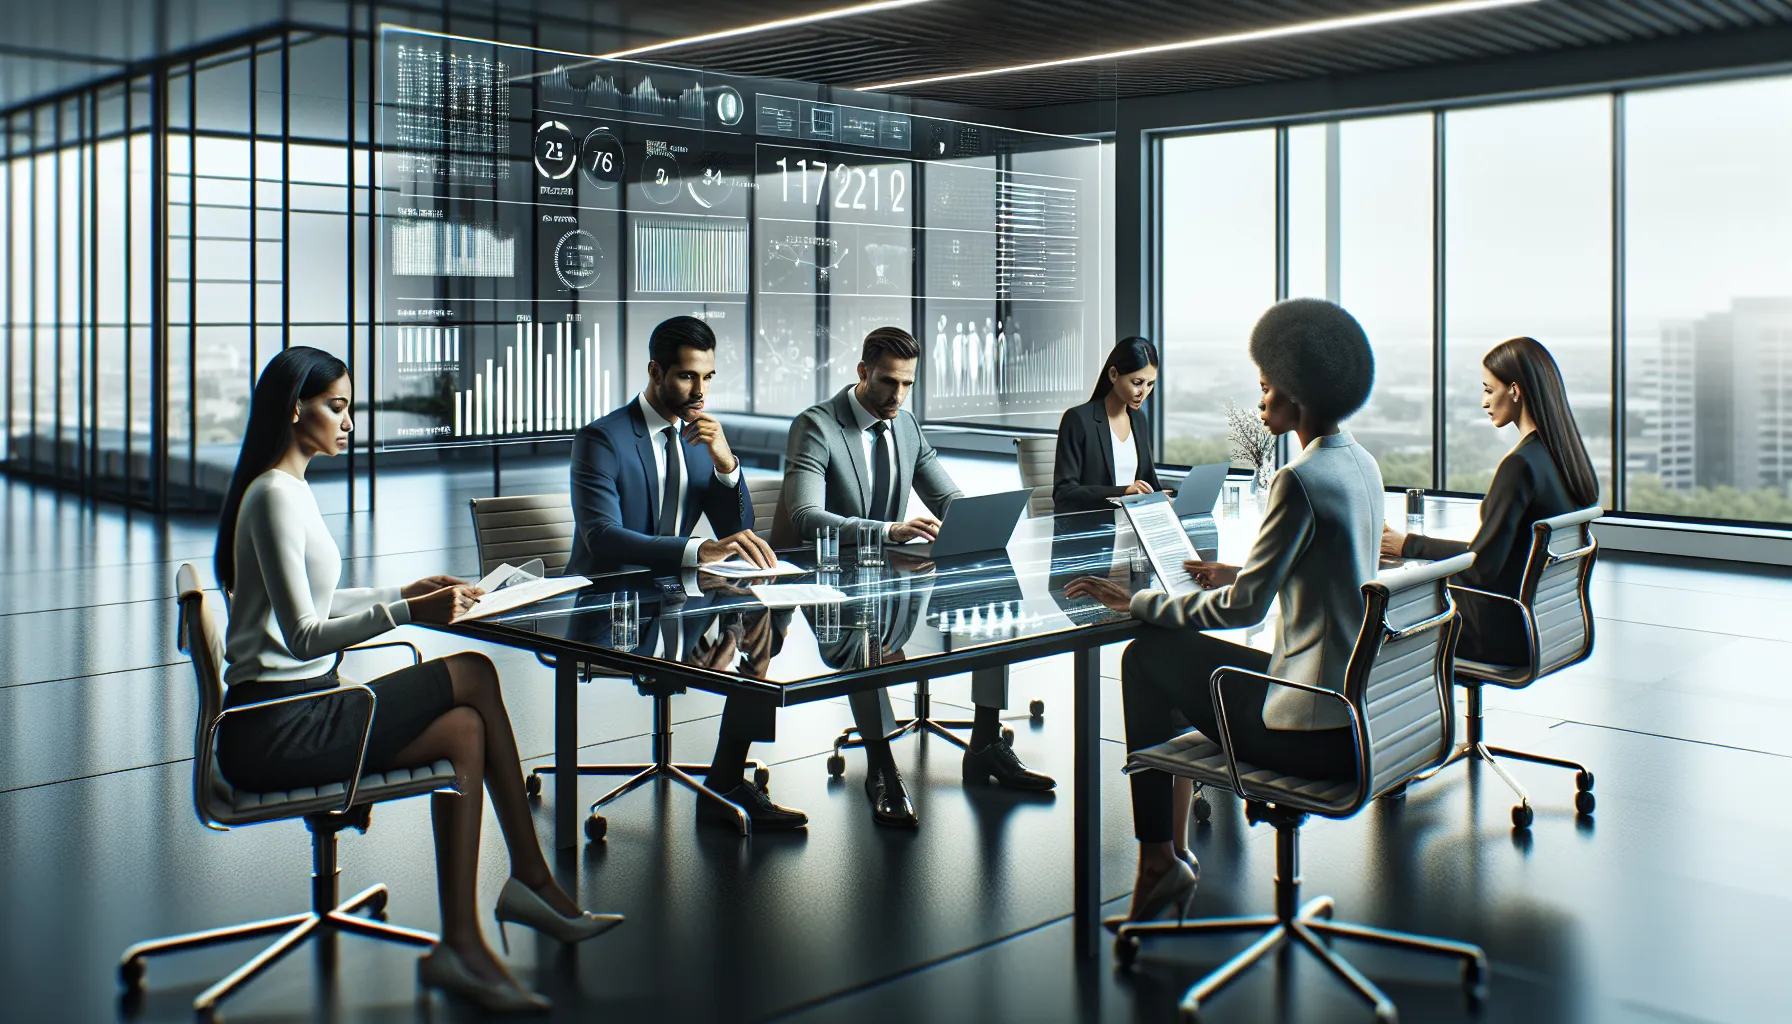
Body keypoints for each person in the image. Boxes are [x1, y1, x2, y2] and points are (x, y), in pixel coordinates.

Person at [214, 347, 619, 1015]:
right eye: (337, 408)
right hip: (275, 729)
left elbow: (316, 601)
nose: (350, 423)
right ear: (295, 409)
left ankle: (460, 942)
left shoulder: (282, 490)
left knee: (463, 729)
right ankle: (531, 878)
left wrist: (405, 589)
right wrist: (408, 611)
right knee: (474, 672)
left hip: (302, 710)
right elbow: (303, 636)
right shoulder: (273, 498)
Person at [1066, 298, 1381, 924]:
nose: (1260, 395)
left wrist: (1140, 601)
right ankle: (1172, 853)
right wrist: (1237, 571)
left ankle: (1162, 860)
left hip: (1309, 727)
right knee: (1169, 659)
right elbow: (1328, 571)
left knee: (1146, 657)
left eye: (1267, 384)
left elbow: (1243, 610)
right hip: (1357, 711)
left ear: (1298, 391)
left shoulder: (1300, 479)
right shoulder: (1360, 465)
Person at [772, 326, 1055, 828]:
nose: (898, 395)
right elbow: (804, 517)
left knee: (986, 596)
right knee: (864, 638)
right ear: (863, 373)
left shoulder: (905, 425)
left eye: (907, 384)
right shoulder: (816, 426)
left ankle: (986, 742)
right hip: (834, 582)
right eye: (887, 382)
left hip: (896, 582)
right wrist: (887, 529)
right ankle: (881, 767)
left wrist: (976, 520)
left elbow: (947, 497)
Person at [567, 315, 804, 831]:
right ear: (655, 371)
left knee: (762, 615)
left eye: (709, 378)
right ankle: (725, 780)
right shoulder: (602, 440)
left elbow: (737, 529)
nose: (700, 391)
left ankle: (725, 777)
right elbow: (601, 539)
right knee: (745, 622)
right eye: (687, 377)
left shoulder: (699, 437)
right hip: (612, 608)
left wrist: (724, 462)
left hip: (679, 600)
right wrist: (698, 551)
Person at [1381, 336, 1598, 662]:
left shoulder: (1520, 466)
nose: (1484, 401)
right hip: (1546, 626)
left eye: (1488, 389)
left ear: (1514, 390)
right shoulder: (1563, 459)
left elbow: (1479, 568)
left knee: (1377, 620)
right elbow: (1486, 557)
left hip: (1498, 633)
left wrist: (1407, 545)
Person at [1053, 336, 1165, 514]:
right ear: (1114, 375)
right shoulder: (1078, 420)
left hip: (1132, 526)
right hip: (1093, 529)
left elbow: (1148, 481)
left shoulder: (1138, 419)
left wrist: (1166, 499)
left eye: (1150, 384)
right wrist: (1124, 492)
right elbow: (1064, 494)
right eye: (1137, 383)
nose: (1143, 392)